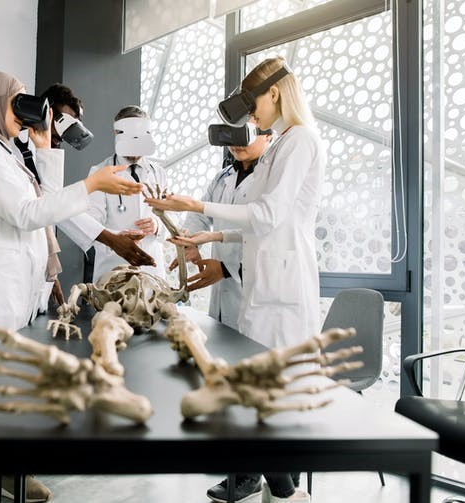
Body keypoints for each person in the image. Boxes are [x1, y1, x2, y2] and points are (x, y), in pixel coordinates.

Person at [0, 70, 141, 502]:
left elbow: (44, 209)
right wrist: (91, 184)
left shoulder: (5, 151)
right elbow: (24, 213)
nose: (22, 109)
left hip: (15, 287)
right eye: (14, 101)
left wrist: (47, 146)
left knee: (4, 402)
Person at [146, 56, 323, 503]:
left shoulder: (299, 140)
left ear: (275, 93)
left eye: (254, 103)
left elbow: (268, 215)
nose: (251, 116)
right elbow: (257, 219)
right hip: (263, 283)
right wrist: (212, 234)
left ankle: (286, 494)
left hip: (283, 288)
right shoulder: (282, 143)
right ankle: (282, 492)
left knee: (264, 401)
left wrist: (199, 206)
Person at [13, 84, 156, 301]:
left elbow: (52, 209)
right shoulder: (16, 151)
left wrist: (50, 271)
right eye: (62, 121)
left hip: (38, 263)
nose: (62, 134)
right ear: (45, 112)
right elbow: (49, 208)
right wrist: (111, 238)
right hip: (13, 263)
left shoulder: (47, 153)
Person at [176, 124, 272, 330]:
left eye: (244, 134)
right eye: (230, 135)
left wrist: (227, 270)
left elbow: (270, 234)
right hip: (220, 290)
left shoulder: (272, 179)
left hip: (256, 292)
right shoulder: (222, 177)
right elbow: (200, 213)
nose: (235, 143)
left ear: (268, 136)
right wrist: (190, 242)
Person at [87, 105, 167, 281]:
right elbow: (90, 223)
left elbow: (172, 217)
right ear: (118, 134)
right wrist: (115, 238)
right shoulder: (99, 172)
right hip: (113, 267)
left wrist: (157, 225)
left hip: (152, 271)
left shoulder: (158, 173)